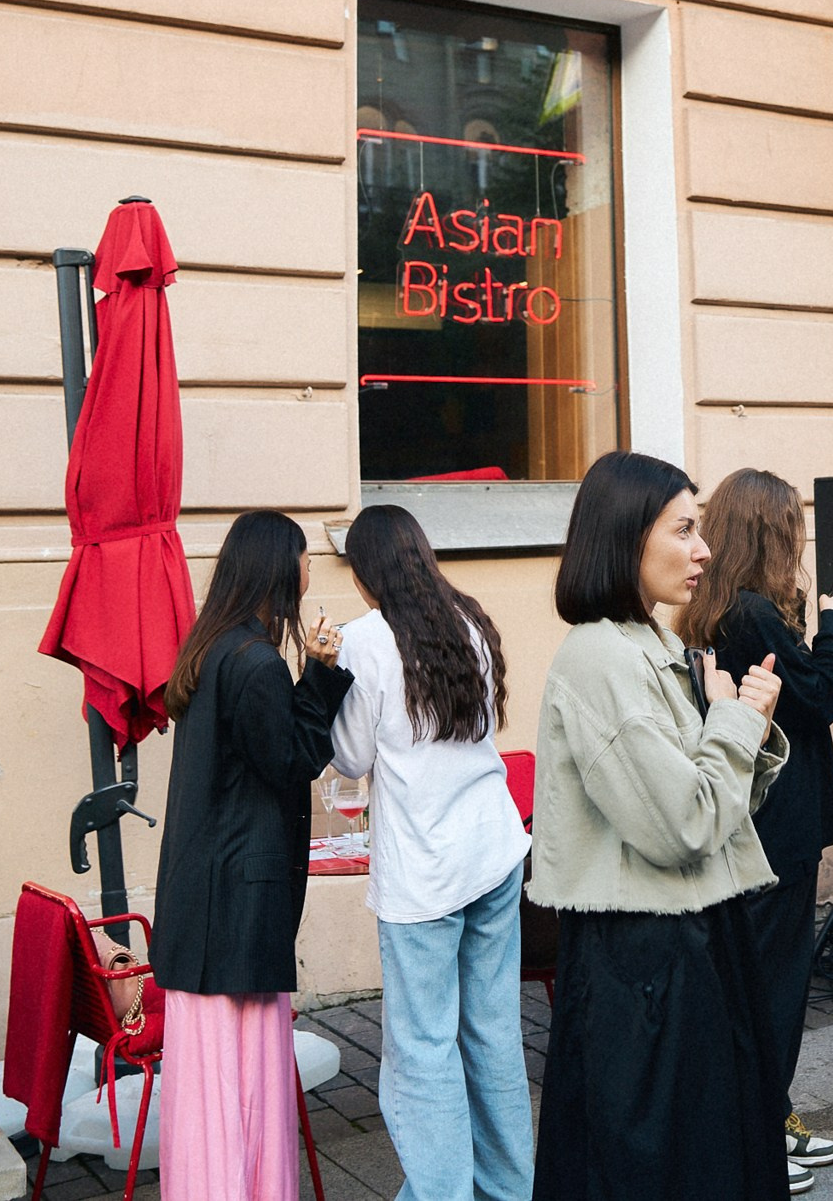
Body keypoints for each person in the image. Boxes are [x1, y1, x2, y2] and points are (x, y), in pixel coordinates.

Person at [529, 451, 789, 1201]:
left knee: (714, 1157)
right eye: (683, 528)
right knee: (669, 1167)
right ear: (625, 537)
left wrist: (742, 724)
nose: (702, 548)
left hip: (690, 943)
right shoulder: (601, 657)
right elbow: (682, 824)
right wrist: (738, 719)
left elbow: (714, 809)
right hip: (645, 962)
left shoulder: (653, 645)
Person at [327, 506, 532, 1201]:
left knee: (422, 1051)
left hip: (424, 872)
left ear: (364, 572)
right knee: (494, 1033)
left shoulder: (364, 638)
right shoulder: (468, 617)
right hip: (497, 849)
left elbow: (351, 756)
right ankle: (509, 1188)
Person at [152, 510, 354, 1200]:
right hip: (238, 905)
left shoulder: (213, 648)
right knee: (239, 1081)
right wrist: (322, 677)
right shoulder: (256, 662)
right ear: (276, 568)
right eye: (301, 558)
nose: (307, 571)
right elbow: (291, 759)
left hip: (205, 897)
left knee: (209, 1086)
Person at [680, 468, 833, 1186]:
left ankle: (769, 1115)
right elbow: (818, 697)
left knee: (761, 981)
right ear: (768, 532)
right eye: (791, 527)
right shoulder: (752, 612)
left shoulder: (728, 606)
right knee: (776, 990)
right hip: (778, 823)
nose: (800, 539)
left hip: (758, 817)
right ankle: (760, 1134)